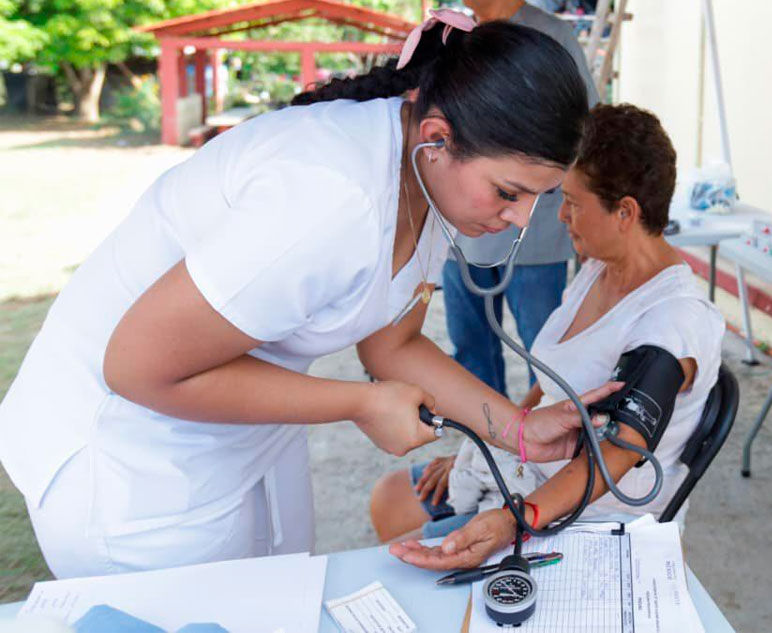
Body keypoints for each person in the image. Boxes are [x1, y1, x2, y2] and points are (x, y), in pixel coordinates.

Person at [0, 12, 615, 579]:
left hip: (241, 434)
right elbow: (137, 368)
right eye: (509, 192)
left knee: (280, 600)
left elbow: (393, 343)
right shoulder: (327, 200)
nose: (520, 220)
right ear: (437, 136)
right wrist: (358, 404)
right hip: (131, 458)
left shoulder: (429, 180)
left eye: (540, 196)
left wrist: (522, 432)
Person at [372, 105, 726, 571]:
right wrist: (495, 443)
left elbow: (618, 450)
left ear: (625, 212)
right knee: (388, 499)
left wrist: (513, 519)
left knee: (397, 565)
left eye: (573, 203)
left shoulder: (672, 324)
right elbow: (553, 382)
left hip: (585, 513)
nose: (560, 216)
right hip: (531, 470)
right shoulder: (600, 269)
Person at [442, 0, 600, 399]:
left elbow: (586, 127)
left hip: (532, 231)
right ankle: (481, 448)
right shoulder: (454, 34)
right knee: (469, 351)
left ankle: (541, 454)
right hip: (462, 229)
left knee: (545, 355)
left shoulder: (552, 35)